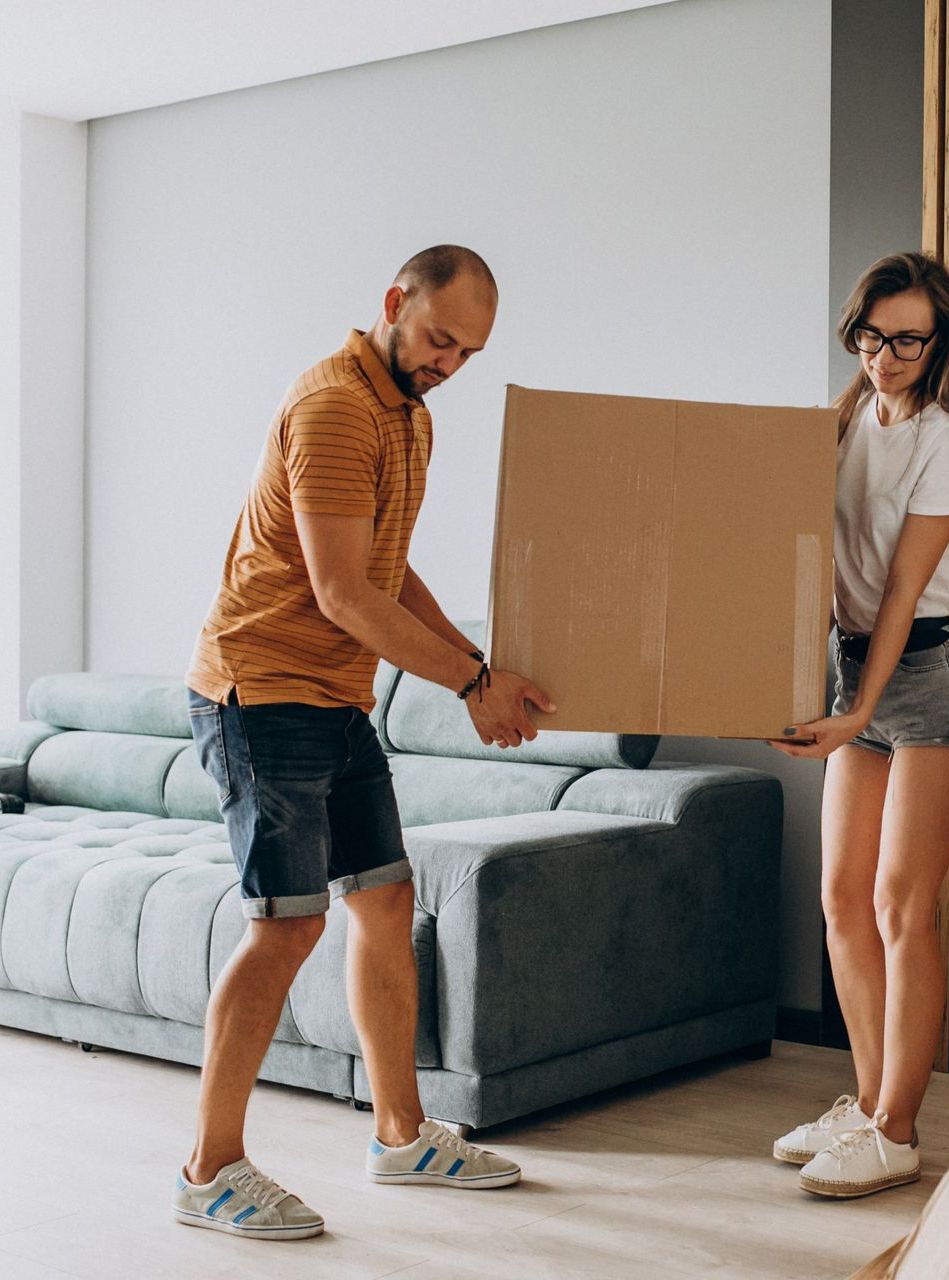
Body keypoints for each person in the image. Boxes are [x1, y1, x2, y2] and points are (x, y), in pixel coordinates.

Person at [173, 246, 555, 1240]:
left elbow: (381, 567)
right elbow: (342, 595)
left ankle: (399, 1133)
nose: (448, 365)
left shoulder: (405, 413)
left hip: (334, 697)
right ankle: (208, 1168)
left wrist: (479, 658)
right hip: (262, 694)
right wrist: (470, 683)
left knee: (384, 899)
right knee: (286, 923)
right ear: (394, 303)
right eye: (439, 339)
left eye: (468, 352)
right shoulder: (337, 406)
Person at [770, 251, 949, 1199]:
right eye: (872, 336)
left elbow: (905, 589)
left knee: (905, 904)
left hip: (924, 679)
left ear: (939, 340)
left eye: (908, 339)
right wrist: (804, 684)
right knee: (840, 898)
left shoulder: (948, 441)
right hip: (851, 669)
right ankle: (867, 1105)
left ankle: (899, 1132)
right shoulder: (843, 420)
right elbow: (802, 560)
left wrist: (859, 707)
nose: (887, 356)